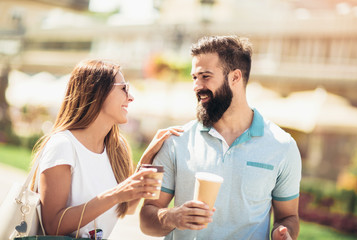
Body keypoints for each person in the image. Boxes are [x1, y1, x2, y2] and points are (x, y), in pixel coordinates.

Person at [140, 36, 302, 240]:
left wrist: (285, 234)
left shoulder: (282, 146)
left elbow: (288, 216)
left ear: (235, 77)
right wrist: (171, 217)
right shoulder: (176, 141)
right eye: (194, 77)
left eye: (205, 76)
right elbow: (146, 219)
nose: (196, 86)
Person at [31, 59, 182, 239]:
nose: (131, 97)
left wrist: (147, 157)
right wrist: (116, 194)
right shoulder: (63, 145)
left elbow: (127, 207)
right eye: (123, 88)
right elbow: (52, 226)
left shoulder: (117, 149)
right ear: (97, 92)